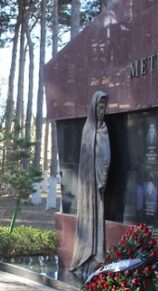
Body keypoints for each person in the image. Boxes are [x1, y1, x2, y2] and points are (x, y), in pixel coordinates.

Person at [70, 91, 110, 274]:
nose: (102, 111)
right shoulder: (88, 130)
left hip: (98, 185)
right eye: (99, 108)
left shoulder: (103, 129)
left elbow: (105, 157)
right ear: (93, 108)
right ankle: (85, 256)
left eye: (104, 108)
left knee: (98, 218)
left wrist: (102, 177)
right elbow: (88, 160)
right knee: (88, 220)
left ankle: (96, 255)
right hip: (89, 187)